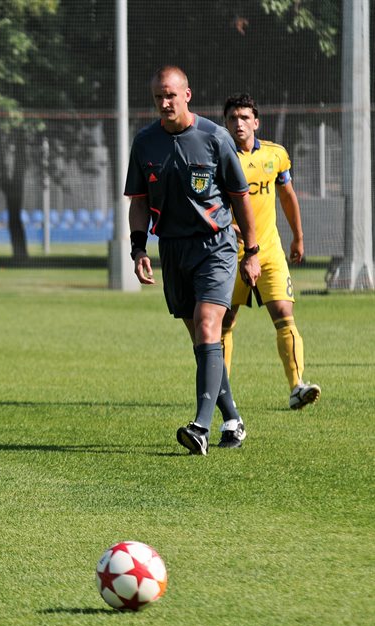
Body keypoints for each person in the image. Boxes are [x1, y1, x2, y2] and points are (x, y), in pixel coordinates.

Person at [124, 66, 262, 454]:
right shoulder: (145, 142)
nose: (164, 103)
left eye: (170, 95)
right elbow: (139, 203)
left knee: (207, 325)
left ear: (187, 94)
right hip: (172, 249)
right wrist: (138, 249)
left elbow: (241, 198)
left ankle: (200, 427)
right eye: (158, 97)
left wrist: (252, 252)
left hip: (215, 246)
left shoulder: (214, 137)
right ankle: (232, 419)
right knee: (203, 341)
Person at [222, 93, 321, 411]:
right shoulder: (218, 156)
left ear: (256, 122)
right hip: (228, 253)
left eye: (244, 117)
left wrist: (298, 238)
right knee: (224, 322)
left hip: (269, 251)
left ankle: (297, 386)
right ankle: (221, 395)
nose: (238, 123)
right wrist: (230, 228)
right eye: (232, 118)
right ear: (226, 123)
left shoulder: (276, 155)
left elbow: (288, 196)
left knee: (284, 314)